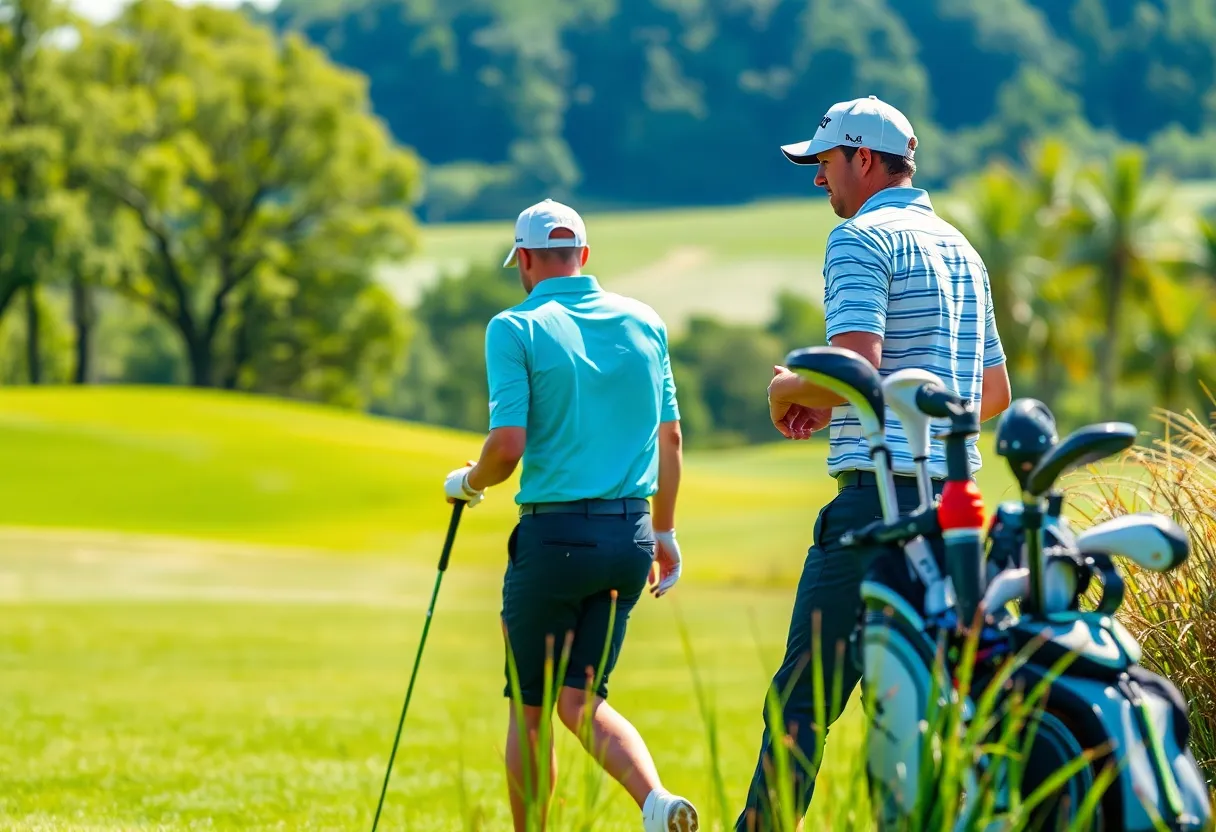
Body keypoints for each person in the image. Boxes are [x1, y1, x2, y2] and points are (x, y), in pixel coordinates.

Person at [734, 95, 1013, 831]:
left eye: (825, 163)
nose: (820, 181)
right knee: (931, 707)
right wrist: (848, 401)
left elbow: (858, 362)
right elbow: (990, 395)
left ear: (861, 158)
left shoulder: (861, 240)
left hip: (876, 506)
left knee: (801, 704)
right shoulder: (962, 248)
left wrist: (789, 388)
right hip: (956, 511)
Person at [442, 198, 700, 832]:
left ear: (524, 261)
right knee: (581, 699)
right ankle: (656, 802)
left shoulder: (513, 326)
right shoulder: (646, 321)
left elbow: (507, 447)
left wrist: (468, 483)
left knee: (531, 709)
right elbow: (670, 441)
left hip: (555, 540)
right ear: (584, 256)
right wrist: (664, 531)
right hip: (630, 537)